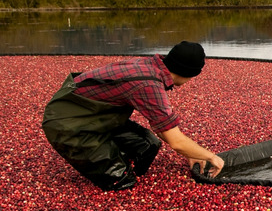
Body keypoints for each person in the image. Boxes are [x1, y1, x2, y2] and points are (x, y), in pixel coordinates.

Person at [42, 41, 225, 191]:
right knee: (122, 181)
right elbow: (175, 140)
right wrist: (210, 157)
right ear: (189, 73)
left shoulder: (151, 66)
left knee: (148, 146)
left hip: (95, 115)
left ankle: (109, 157)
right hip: (68, 124)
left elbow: (163, 128)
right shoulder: (148, 85)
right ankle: (106, 164)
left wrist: (191, 153)